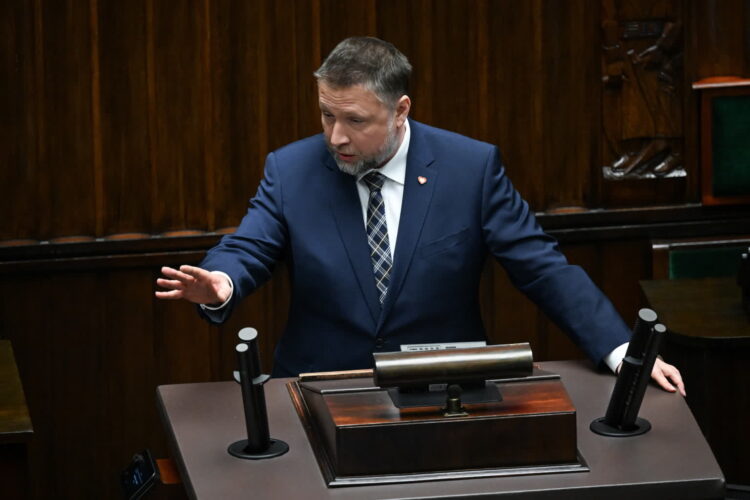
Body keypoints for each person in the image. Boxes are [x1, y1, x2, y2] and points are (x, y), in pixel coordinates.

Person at [155, 37, 684, 395]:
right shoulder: (291, 170)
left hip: (442, 389)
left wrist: (621, 350)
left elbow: (542, 268)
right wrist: (222, 282)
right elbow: (250, 245)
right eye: (326, 114)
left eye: (355, 120)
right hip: (320, 390)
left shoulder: (470, 169)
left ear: (400, 110)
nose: (335, 136)